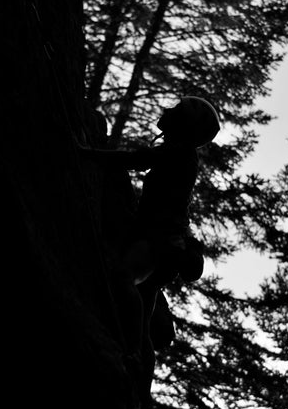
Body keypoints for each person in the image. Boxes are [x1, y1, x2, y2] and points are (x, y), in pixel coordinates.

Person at [79, 96, 220, 378]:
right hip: (165, 243)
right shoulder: (179, 152)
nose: (167, 112)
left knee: (122, 279)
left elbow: (138, 160)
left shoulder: (178, 153)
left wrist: (88, 153)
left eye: (176, 112)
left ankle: (130, 354)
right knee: (143, 314)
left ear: (184, 126)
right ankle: (139, 380)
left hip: (160, 242)